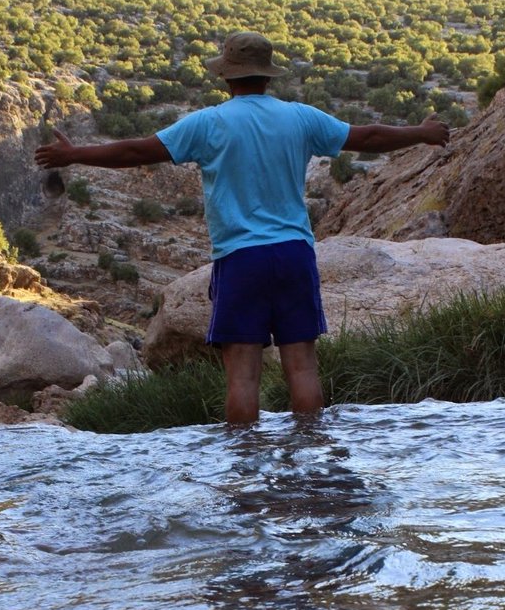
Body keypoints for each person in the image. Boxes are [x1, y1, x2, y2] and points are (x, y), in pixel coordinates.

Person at [35, 31, 449, 425]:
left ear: (225, 76)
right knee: (303, 369)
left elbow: (136, 150)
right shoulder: (299, 117)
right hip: (294, 254)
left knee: (242, 377)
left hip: (240, 259)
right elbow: (370, 136)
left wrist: (74, 155)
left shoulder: (207, 123)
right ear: (268, 75)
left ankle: (246, 477)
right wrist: (423, 133)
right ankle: (312, 468)